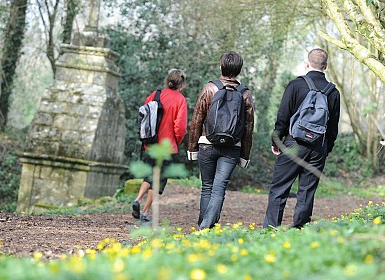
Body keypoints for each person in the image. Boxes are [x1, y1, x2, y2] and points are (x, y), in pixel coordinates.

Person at [263, 48, 341, 229]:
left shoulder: (296, 85)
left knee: (279, 189)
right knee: (307, 191)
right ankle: (299, 230)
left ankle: (271, 229)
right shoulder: (333, 92)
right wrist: (325, 149)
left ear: (307, 63)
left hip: (293, 144)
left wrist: (277, 141)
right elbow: (333, 128)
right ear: (326, 66)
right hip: (318, 147)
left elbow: (283, 116)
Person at [187, 51, 255, 230]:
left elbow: (196, 120)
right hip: (232, 147)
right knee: (219, 189)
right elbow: (248, 127)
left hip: (207, 144)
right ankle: (206, 227)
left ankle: (204, 228)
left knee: (207, 187)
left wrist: (192, 148)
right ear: (239, 70)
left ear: (221, 66)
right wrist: (244, 155)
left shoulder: (209, 88)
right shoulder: (245, 94)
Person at [132, 69, 188, 222]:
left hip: (150, 144)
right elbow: (181, 127)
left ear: (167, 81)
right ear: (181, 84)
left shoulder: (155, 95)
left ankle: (137, 199)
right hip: (166, 146)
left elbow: (144, 115)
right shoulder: (180, 100)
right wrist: (176, 141)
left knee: (148, 175)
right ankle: (144, 212)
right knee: (157, 181)